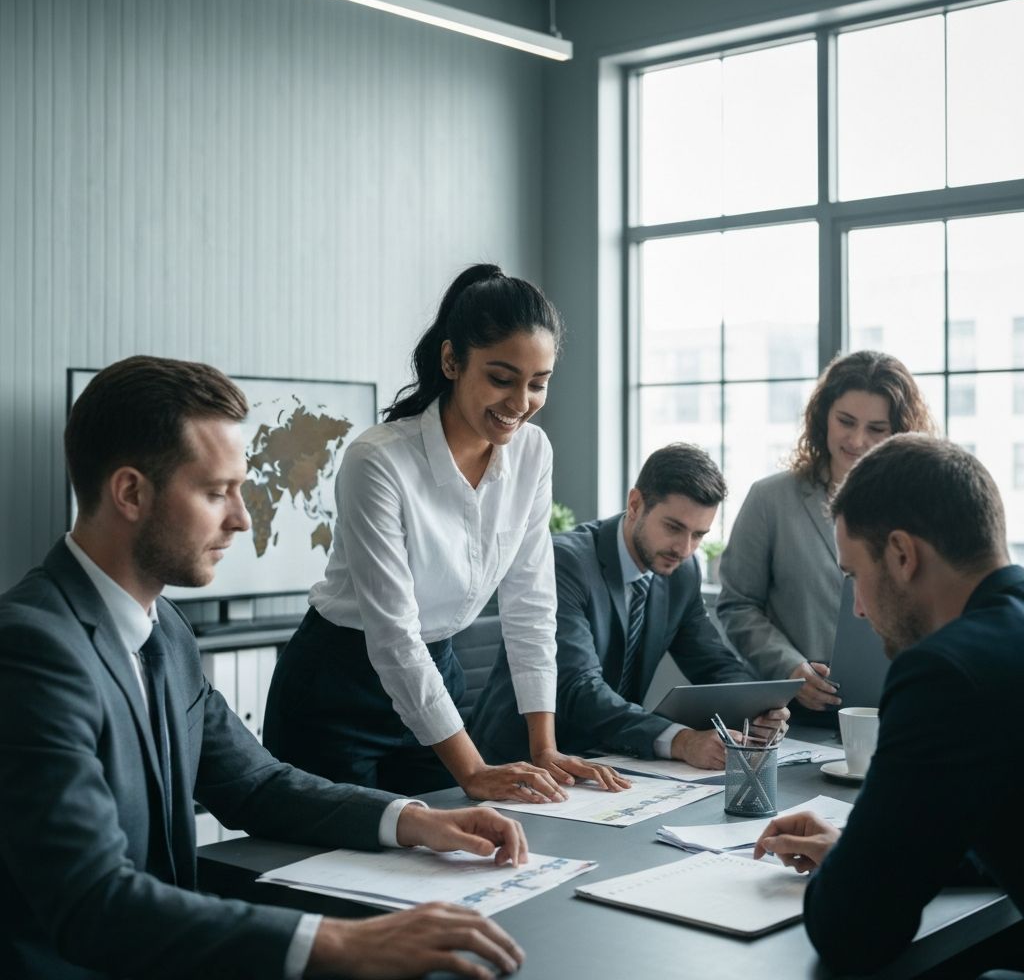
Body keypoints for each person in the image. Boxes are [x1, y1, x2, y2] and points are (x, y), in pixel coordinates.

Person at [0, 355, 531, 980]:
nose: (242, 517)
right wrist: (339, 944)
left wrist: (417, 821)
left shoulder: (165, 630)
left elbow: (256, 784)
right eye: (215, 491)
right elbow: (92, 904)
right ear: (130, 493)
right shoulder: (33, 650)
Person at [263, 264, 623, 801]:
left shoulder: (532, 453)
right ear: (452, 360)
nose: (520, 403)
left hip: (437, 682)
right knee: (340, 874)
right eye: (501, 379)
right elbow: (393, 637)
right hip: (338, 690)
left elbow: (530, 604)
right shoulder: (378, 460)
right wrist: (473, 770)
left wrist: (543, 746)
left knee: (457, 853)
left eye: (538, 384)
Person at [752, 434, 1024, 975]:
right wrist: (862, 849)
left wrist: (856, 870)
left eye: (854, 575)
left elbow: (852, 928)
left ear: (901, 555)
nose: (855, 607)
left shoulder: (944, 672)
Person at [472, 443, 789, 771]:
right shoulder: (564, 562)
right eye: (673, 527)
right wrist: (681, 741)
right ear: (635, 504)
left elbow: (712, 663)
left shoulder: (682, 571)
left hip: (614, 760)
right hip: (520, 762)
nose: (684, 548)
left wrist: (758, 707)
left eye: (699, 535)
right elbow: (579, 688)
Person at [716, 349, 935, 721]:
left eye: (876, 429)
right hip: (796, 714)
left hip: (902, 707)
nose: (857, 439)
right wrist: (790, 667)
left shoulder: (924, 508)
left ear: (899, 432)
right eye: (845, 421)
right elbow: (737, 605)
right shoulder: (771, 499)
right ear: (823, 417)